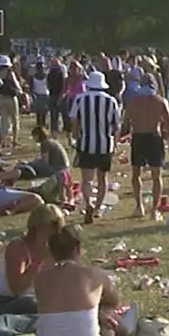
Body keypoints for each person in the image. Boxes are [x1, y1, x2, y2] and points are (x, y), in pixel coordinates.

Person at [32, 224, 124, 336]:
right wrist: (100, 313)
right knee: (108, 313)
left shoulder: (39, 279)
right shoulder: (94, 275)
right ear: (77, 248)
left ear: (51, 251)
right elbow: (114, 301)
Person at [0, 202, 64, 316]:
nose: (52, 233)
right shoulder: (18, 247)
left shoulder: (52, 250)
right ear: (36, 228)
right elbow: (17, 290)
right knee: (32, 303)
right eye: (49, 228)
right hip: (8, 303)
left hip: (39, 300)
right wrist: (38, 261)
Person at [123, 73, 169, 220]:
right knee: (156, 176)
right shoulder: (160, 101)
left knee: (136, 174)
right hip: (154, 137)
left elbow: (126, 123)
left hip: (138, 137)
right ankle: (154, 210)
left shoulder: (132, 101)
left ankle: (139, 206)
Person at [70, 70, 120, 224]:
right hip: (105, 144)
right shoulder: (111, 101)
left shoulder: (80, 99)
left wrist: (76, 136)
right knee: (102, 178)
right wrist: (115, 143)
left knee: (86, 180)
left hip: (86, 143)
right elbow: (116, 125)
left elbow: (74, 121)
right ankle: (98, 208)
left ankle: (88, 204)